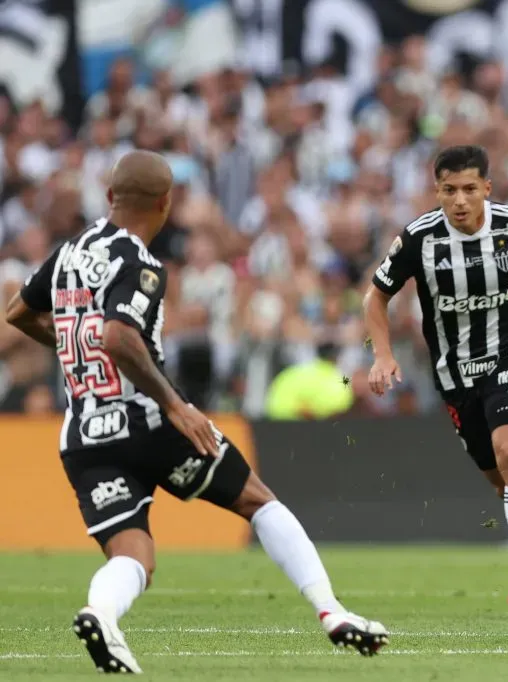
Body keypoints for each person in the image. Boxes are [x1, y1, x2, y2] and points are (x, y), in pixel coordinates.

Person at [4, 151, 388, 673]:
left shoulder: (70, 252)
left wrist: (74, 349)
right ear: (165, 205)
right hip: (146, 419)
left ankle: (100, 613)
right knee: (258, 499)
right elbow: (119, 337)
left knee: (134, 556)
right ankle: (332, 611)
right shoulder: (139, 263)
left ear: (111, 196)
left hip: (85, 433)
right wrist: (175, 404)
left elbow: (19, 313)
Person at [364, 145, 508, 610]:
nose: (459, 200)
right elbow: (375, 297)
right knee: (505, 480)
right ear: (436, 190)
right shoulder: (419, 237)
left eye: (469, 189)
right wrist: (382, 355)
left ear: (487, 189)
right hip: (455, 374)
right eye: (449, 190)